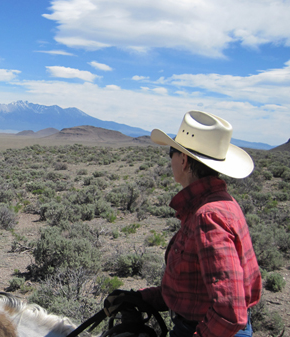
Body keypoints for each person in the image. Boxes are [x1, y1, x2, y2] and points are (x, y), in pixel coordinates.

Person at [106, 110, 262, 337]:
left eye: (172, 152)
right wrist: (141, 298)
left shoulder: (208, 217)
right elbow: (195, 290)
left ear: (184, 160)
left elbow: (229, 313)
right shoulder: (215, 205)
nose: (170, 159)